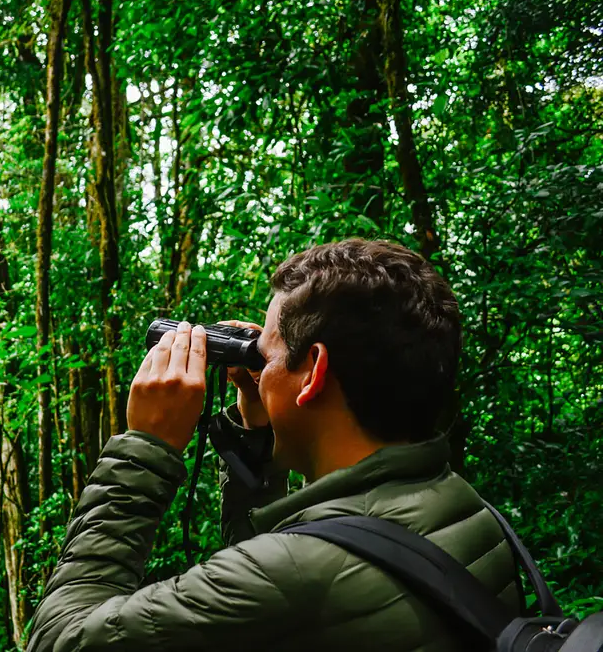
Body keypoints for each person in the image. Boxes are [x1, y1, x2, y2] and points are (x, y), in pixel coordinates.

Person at [26, 239, 520, 652]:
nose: (259, 373)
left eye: (267, 356)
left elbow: (59, 639)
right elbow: (281, 583)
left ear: (314, 372)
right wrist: (258, 435)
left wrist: (145, 446)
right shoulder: (464, 507)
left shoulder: (298, 571)